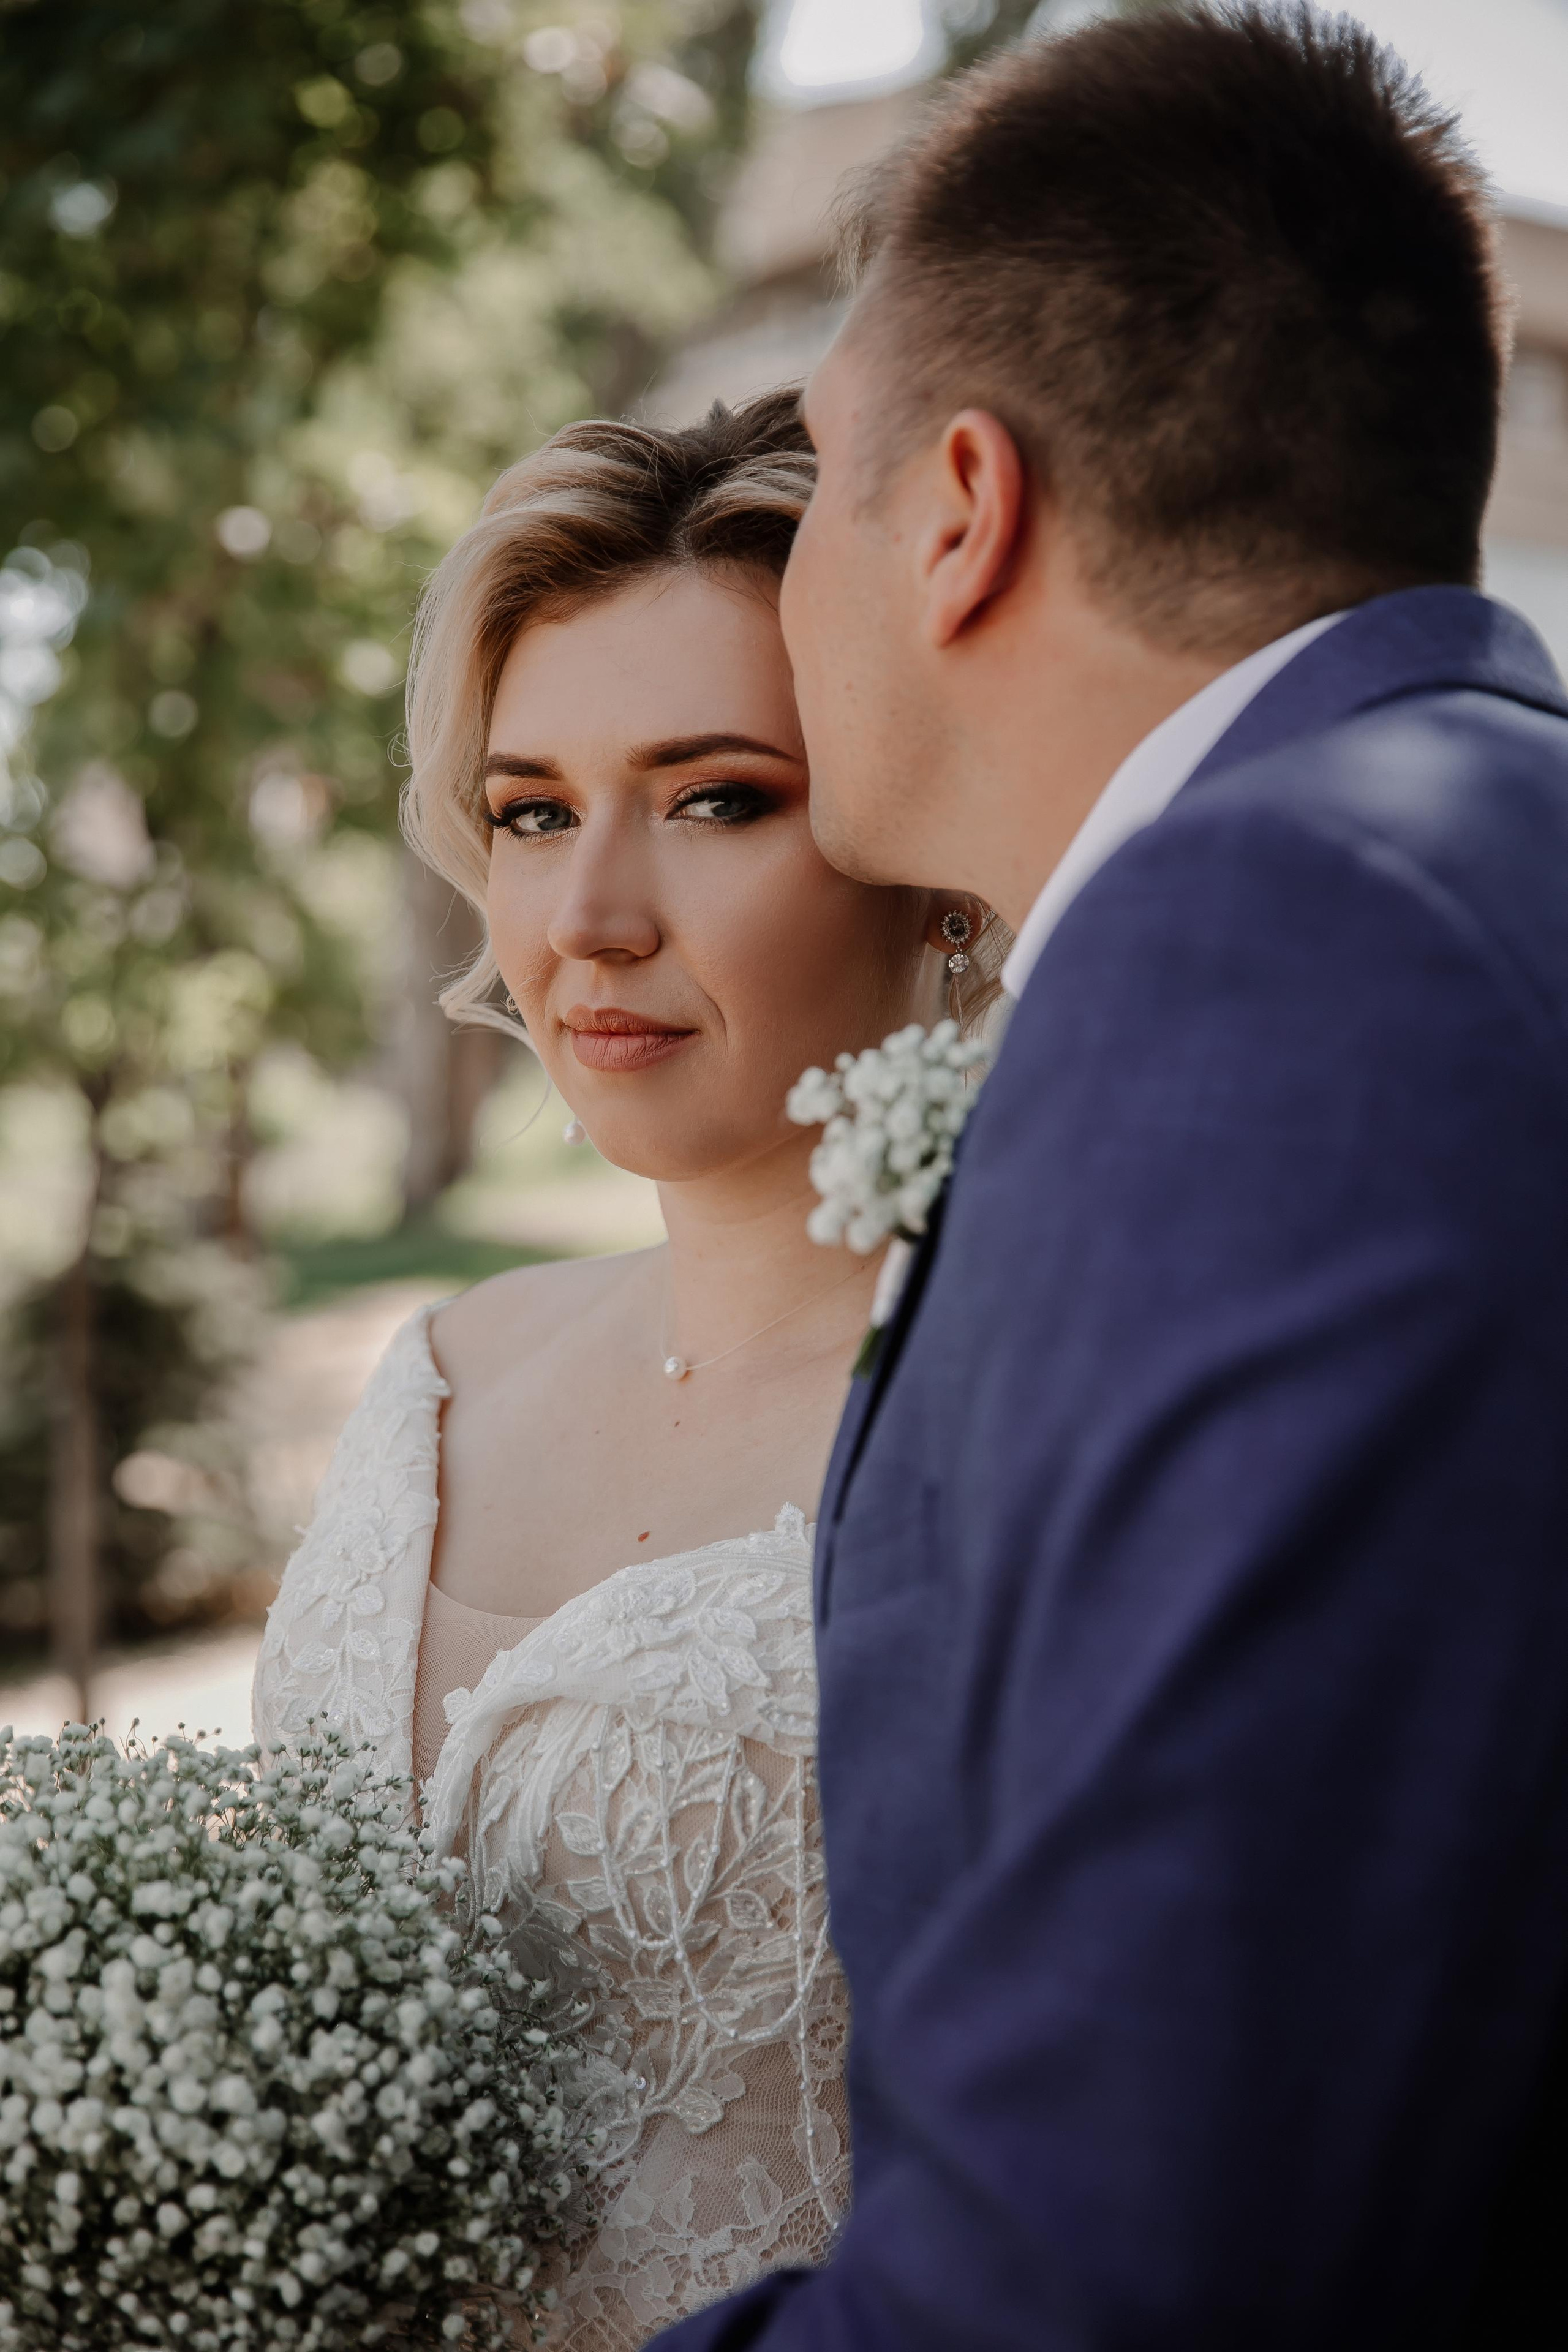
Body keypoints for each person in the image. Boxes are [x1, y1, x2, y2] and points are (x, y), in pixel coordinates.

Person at [654, 9, 1568, 2350]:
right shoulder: (1481, 862)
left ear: (959, 509)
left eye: (824, 479)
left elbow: (1140, 2261)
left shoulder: (1288, 938)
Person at [252, 390, 1001, 2345]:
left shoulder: (1027, 1410)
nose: (586, 922)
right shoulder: (439, 1371)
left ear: (921, 850)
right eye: (530, 813)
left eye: (716, 796)